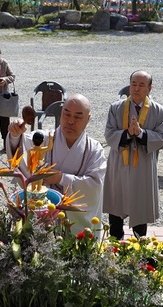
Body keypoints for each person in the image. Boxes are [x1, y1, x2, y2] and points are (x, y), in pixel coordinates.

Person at [7, 94, 106, 233]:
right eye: (66, 114)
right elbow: (20, 147)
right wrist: (15, 134)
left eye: (78, 117)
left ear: (88, 119)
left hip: (77, 224)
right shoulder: (44, 138)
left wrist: (61, 178)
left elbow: (94, 186)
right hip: (43, 218)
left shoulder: (94, 149)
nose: (70, 121)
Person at [103, 71, 163, 239]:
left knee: (139, 203)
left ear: (149, 88)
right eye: (134, 84)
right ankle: (115, 241)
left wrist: (141, 134)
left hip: (143, 163)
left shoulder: (159, 111)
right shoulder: (116, 108)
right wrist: (126, 133)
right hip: (120, 162)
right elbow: (109, 133)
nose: (136, 88)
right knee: (116, 203)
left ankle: (139, 246)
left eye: (141, 85)